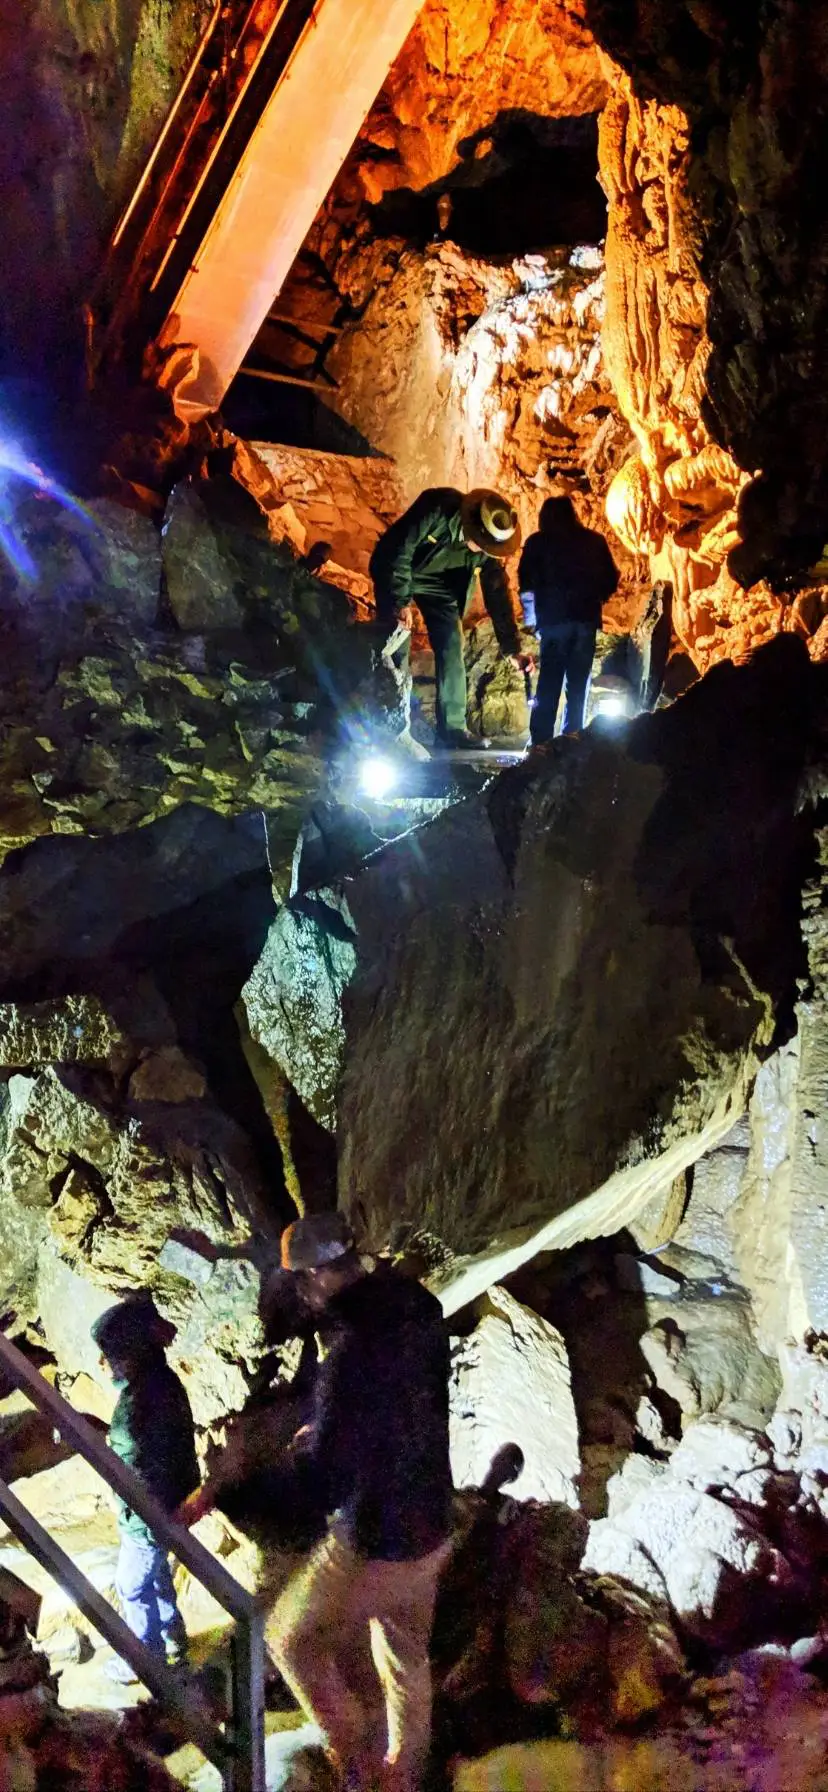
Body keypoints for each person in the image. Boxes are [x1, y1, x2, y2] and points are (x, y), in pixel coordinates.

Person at [180, 1213, 454, 1792]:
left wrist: (237, 1486)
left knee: (288, 1639)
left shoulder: (350, 1353)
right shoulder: (420, 1308)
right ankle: (405, 1775)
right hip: (433, 1521)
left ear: (321, 1276)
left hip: (379, 1539)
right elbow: (404, 1406)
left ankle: (356, 1769)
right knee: (405, 1656)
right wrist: (326, 1426)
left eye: (304, 1283)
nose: (304, 1295)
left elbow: (322, 1485)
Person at [370, 487, 531, 749]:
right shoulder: (438, 508)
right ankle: (393, 727)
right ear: (472, 524)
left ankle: (453, 730)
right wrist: (400, 602)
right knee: (397, 647)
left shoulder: (489, 548)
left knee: (452, 644)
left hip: (441, 587)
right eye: (482, 541)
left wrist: (511, 648)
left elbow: (497, 593)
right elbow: (400, 548)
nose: (484, 548)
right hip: (400, 570)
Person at [91, 1294, 199, 1682]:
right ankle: (174, 1647)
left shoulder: (140, 1402)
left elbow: (134, 1461)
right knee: (158, 1580)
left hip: (146, 1517)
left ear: (130, 1353)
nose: (103, 1363)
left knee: (132, 1585)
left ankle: (144, 1658)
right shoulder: (161, 1384)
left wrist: (96, 1442)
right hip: (169, 1508)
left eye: (109, 1354)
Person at [518, 496, 619, 743]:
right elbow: (610, 578)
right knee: (578, 683)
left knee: (548, 683)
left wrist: (532, 621)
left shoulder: (537, 543)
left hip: (553, 623)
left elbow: (526, 584)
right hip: (584, 621)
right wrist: (597, 599)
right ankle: (572, 737)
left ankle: (540, 742)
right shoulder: (594, 541)